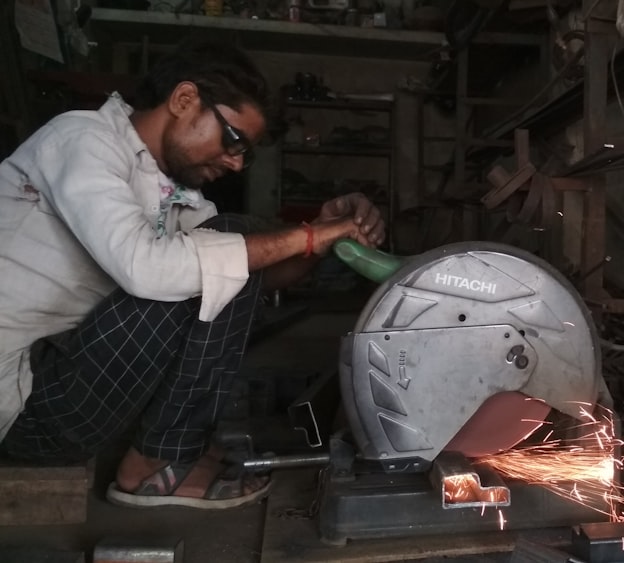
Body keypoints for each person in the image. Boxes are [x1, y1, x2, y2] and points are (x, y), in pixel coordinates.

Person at [0, 40, 385, 509]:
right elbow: (148, 269)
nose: (237, 162)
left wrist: (324, 239)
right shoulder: (82, 141)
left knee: (227, 248)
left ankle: (166, 452)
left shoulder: (170, 190)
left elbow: (252, 275)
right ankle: (157, 463)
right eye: (233, 140)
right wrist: (307, 236)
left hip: (58, 386)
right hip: (21, 413)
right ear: (184, 101)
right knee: (221, 244)